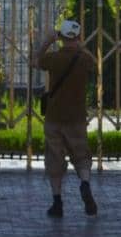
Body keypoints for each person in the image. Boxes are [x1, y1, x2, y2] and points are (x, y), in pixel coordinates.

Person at [36, 18, 98, 218]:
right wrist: (81, 45)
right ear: (78, 37)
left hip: (54, 117)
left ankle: (57, 203)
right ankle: (85, 183)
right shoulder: (84, 59)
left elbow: (36, 61)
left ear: (60, 37)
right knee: (82, 156)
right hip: (77, 117)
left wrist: (48, 41)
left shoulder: (54, 58)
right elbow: (94, 65)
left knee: (54, 159)